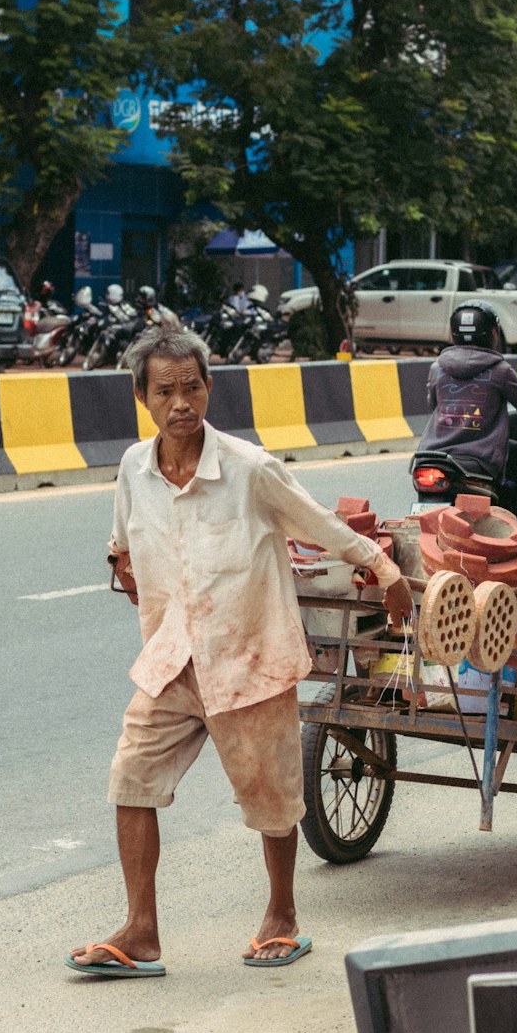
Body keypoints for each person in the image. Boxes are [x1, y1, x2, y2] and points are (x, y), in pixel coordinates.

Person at [66, 325, 412, 978]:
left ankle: (281, 915)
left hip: (249, 660)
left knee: (271, 799)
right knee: (131, 778)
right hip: (171, 660)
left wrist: (386, 572)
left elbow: (321, 524)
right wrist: (128, 568)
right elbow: (123, 545)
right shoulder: (133, 471)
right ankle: (141, 932)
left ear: (209, 387)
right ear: (142, 396)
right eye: (165, 391)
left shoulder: (249, 470)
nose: (181, 403)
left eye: (192, 387)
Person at [417, 300, 517, 520]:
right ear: (493, 333)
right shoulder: (500, 370)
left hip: (433, 454)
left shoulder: (437, 368)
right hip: (481, 455)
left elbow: (434, 405)